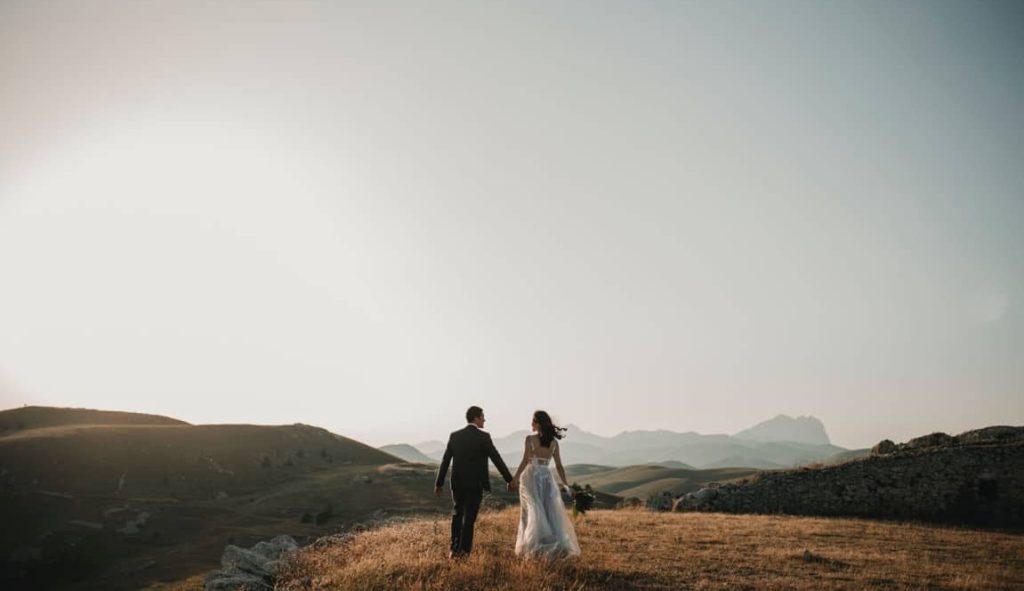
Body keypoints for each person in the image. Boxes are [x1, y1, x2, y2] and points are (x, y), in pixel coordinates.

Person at [434, 406, 515, 558]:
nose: (484, 419)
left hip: (457, 483)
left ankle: (454, 549)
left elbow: (445, 460)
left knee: (458, 514)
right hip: (475, 484)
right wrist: (509, 480)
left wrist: (439, 483)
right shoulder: (483, 437)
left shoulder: (455, 436)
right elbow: (496, 459)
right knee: (469, 519)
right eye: (483, 416)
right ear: (476, 418)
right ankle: (464, 553)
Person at [510, 410, 581, 558]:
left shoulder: (529, 439)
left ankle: (531, 546)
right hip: (547, 478)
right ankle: (552, 545)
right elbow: (559, 466)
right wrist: (566, 485)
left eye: (533, 421)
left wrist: (515, 478)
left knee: (531, 510)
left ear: (538, 423)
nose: (531, 424)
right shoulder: (554, 443)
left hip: (531, 477)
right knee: (548, 511)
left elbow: (525, 461)